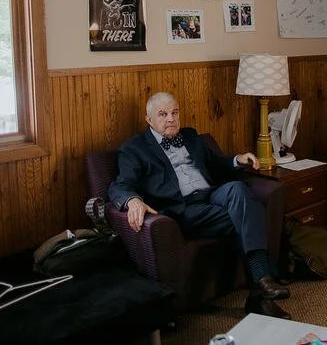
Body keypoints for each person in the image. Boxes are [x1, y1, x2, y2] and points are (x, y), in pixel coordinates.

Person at [108, 91, 291, 319]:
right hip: (183, 210)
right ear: (149, 120)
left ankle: (261, 285)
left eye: (175, 112)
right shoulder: (135, 148)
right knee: (251, 214)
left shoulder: (191, 136)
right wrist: (132, 200)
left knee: (238, 189)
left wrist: (237, 159)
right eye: (163, 114)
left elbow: (216, 164)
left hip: (212, 195)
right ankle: (262, 285)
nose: (171, 119)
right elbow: (119, 185)